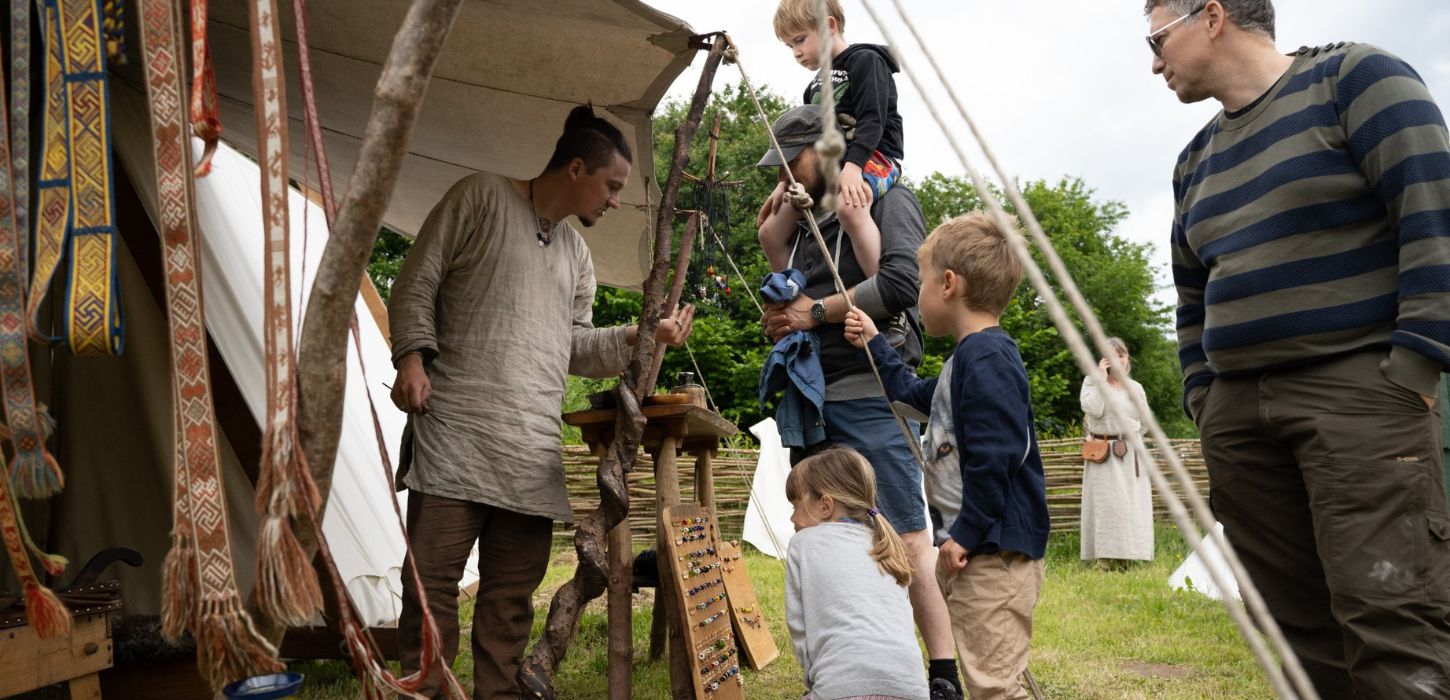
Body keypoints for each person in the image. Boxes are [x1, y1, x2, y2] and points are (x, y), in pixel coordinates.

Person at [1147, 0, 1450, 695]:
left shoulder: (1358, 80)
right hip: (1240, 420)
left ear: (1213, 15)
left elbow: (1434, 219)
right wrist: (1206, 401)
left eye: (1158, 39)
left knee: (1392, 617)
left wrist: (1413, 369)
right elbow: (1190, 302)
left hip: (1361, 394)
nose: (1154, 62)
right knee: (1291, 631)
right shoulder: (1193, 161)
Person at [386, 105, 696, 698]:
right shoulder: (479, 197)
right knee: (430, 589)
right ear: (575, 167)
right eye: (610, 187)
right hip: (456, 435)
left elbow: (573, 345)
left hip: (529, 452)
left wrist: (638, 335)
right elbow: (417, 280)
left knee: (508, 602)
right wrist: (411, 359)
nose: (614, 201)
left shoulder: (577, 256)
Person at [757, 104, 963, 700]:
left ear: (820, 152)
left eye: (788, 162)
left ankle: (942, 673)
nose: (781, 177)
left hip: (871, 390)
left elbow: (900, 285)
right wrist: (784, 313)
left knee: (903, 532)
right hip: (812, 392)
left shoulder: (887, 197)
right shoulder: (796, 221)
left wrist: (813, 313)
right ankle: (839, 669)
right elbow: (793, 296)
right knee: (822, 535)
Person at [845, 211, 1050, 700]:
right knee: (992, 668)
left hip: (993, 550)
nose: (916, 295)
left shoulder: (989, 359)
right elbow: (912, 395)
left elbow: (996, 457)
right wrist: (876, 343)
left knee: (994, 685)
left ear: (949, 284)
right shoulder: (967, 361)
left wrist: (966, 533)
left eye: (920, 282)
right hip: (978, 550)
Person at [759, 0, 905, 279]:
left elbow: (874, 120)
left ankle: (885, 293)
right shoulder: (812, 87)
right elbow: (805, 146)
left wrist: (853, 167)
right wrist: (785, 182)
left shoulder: (866, 61)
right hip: (829, 164)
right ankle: (791, 298)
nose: (797, 53)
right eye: (790, 46)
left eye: (800, 40)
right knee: (769, 230)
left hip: (874, 156)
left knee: (849, 209)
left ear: (828, 26)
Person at [785, 447, 931, 700]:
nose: (792, 518)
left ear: (825, 505)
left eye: (796, 505)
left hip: (841, 689)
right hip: (912, 688)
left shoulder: (803, 543)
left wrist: (813, 683)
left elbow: (799, 627)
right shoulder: (888, 545)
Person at [1078, 337, 1153, 565]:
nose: (1117, 360)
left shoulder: (1136, 388)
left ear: (1126, 358)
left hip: (1130, 455)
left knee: (1130, 506)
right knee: (1106, 508)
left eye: (1120, 355)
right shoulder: (1091, 382)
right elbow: (1094, 409)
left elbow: (1146, 422)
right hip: (1102, 454)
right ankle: (1105, 561)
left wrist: (1130, 441)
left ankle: (1129, 558)